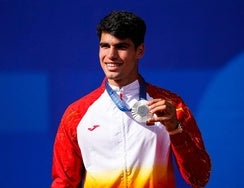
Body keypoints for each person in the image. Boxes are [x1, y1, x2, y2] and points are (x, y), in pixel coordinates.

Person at [51, 10, 211, 188]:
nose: (111, 55)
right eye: (105, 46)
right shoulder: (77, 114)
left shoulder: (171, 106)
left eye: (121, 47)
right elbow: (63, 182)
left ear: (139, 50)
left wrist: (176, 130)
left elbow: (200, 177)